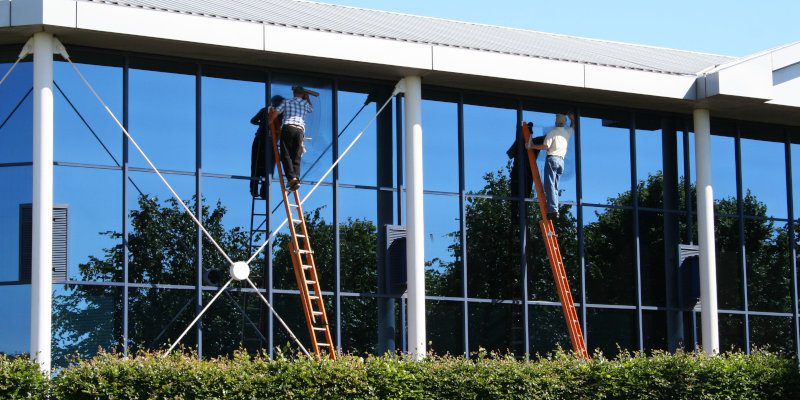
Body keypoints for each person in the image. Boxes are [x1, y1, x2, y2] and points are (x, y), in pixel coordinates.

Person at [528, 113, 575, 220]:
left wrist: (532, 146)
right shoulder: (566, 132)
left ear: (555, 122)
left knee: (549, 185)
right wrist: (572, 118)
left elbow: (545, 146)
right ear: (564, 122)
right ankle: (555, 209)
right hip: (561, 162)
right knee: (555, 186)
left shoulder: (552, 133)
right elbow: (573, 126)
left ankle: (553, 210)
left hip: (552, 159)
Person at [269, 86, 314, 192]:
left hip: (288, 127)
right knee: (296, 155)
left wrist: (270, 122)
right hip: (300, 131)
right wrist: (307, 98)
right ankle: (296, 179)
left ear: (294, 93)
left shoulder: (287, 101)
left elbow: (276, 112)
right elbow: (311, 109)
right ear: (302, 94)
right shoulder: (305, 104)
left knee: (285, 155)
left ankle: (292, 179)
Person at [249, 95, 284, 198]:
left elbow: (253, 121)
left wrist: (261, 124)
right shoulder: (281, 113)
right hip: (269, 141)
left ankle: (255, 190)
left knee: (256, 165)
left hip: (261, 139)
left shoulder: (265, 110)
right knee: (268, 168)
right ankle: (263, 192)